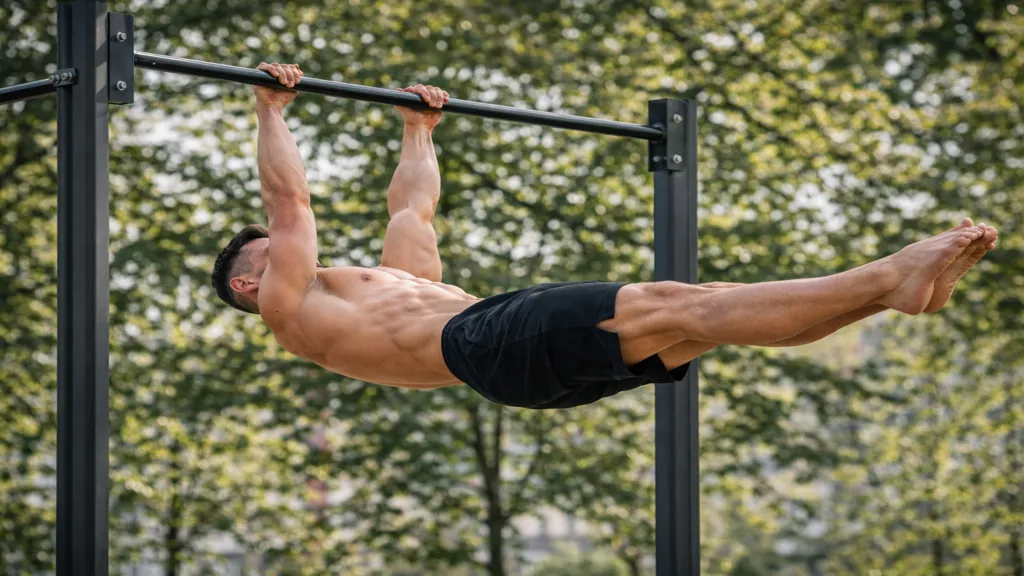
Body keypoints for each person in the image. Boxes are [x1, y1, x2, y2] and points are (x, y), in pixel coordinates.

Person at [211, 62, 999, 410]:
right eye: (269, 252)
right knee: (672, 300)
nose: (289, 247)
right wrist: (270, 111)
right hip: (487, 344)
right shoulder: (292, 310)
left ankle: (887, 294)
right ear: (251, 284)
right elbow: (290, 204)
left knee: (700, 315)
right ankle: (890, 273)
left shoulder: (383, 292)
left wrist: (419, 133)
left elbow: (411, 216)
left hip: (496, 353)